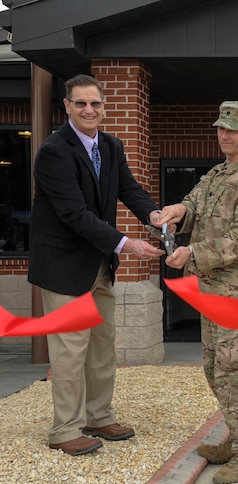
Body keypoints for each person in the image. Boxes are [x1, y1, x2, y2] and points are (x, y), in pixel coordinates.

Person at [28, 74, 166, 456]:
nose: (89, 110)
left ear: (104, 107)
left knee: (102, 346)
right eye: (80, 103)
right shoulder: (55, 151)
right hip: (63, 267)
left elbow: (128, 189)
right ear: (67, 107)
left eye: (95, 104)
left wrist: (154, 215)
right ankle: (64, 430)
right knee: (71, 350)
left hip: (99, 265)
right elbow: (74, 213)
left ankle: (98, 416)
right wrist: (126, 243)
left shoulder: (111, 145)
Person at [158, 100, 238, 484]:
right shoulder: (218, 172)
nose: (225, 135)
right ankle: (237, 437)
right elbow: (195, 204)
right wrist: (178, 210)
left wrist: (193, 252)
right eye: (221, 128)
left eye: (233, 128)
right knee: (215, 369)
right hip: (213, 289)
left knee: (235, 370)